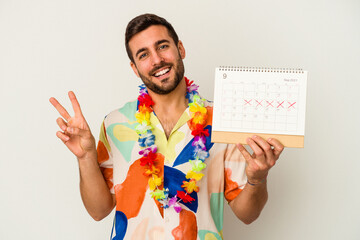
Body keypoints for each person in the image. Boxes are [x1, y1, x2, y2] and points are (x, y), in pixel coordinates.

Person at [50, 13, 284, 240]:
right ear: (134, 68)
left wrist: (258, 178)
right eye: (143, 54)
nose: (157, 60)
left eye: (162, 46)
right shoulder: (114, 123)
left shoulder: (222, 121)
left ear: (180, 49)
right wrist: (86, 158)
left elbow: (248, 214)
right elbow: (98, 211)